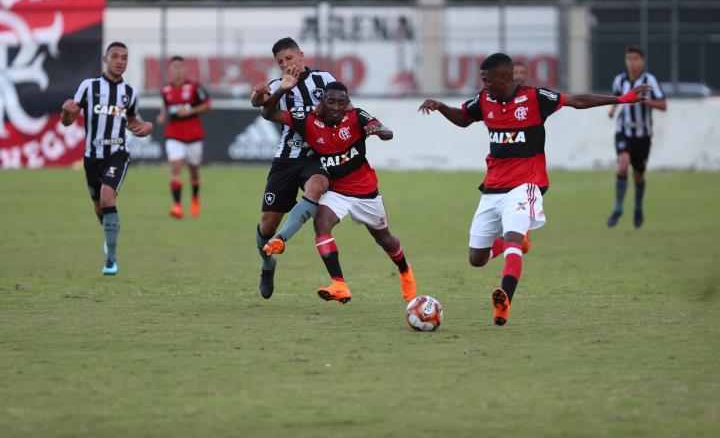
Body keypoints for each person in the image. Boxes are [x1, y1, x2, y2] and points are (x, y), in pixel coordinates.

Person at [418, 52, 649, 326]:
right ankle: (514, 244)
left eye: (487, 80)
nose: (483, 85)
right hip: (492, 188)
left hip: (524, 185)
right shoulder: (484, 100)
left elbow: (577, 101)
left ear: (504, 78)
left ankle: (504, 301)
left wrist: (622, 99)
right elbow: (464, 118)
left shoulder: (535, 98)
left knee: (513, 239)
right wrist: (441, 106)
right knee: (476, 259)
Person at [260, 75, 417, 304]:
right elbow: (268, 113)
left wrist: (379, 130)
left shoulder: (356, 116)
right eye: (330, 102)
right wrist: (280, 91)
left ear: (347, 104)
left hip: (366, 192)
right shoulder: (307, 120)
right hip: (338, 192)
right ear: (322, 101)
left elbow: (385, 131)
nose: (335, 108)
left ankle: (404, 270)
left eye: (340, 103)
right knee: (321, 223)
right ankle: (339, 284)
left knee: (385, 240)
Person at [249, 37, 336, 299]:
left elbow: (344, 106)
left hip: (316, 156)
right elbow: (260, 105)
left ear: (301, 55)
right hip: (287, 158)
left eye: (289, 58)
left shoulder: (324, 79)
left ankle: (281, 240)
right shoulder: (278, 85)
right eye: (279, 62)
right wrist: (280, 90)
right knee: (266, 226)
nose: (285, 64)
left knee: (318, 186)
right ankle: (267, 264)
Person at [60, 42, 153, 275]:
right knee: (99, 207)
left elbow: (131, 121)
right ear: (105, 59)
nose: (120, 61)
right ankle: (109, 234)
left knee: (107, 198)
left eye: (124, 57)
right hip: (92, 157)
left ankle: (111, 260)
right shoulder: (88, 87)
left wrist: (146, 126)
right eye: (115, 56)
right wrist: (66, 111)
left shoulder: (130, 93)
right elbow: (67, 120)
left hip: (117, 153)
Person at [606, 45, 666, 228]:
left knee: (638, 176)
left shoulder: (649, 81)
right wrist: (613, 109)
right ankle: (618, 208)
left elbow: (663, 105)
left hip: (642, 135)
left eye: (635, 58)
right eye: (629, 58)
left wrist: (645, 101)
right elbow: (617, 97)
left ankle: (638, 208)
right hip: (624, 131)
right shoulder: (620, 80)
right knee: (623, 164)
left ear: (642, 61)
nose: (632, 62)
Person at [156, 56, 212, 219]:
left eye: (180, 67)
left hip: (193, 135)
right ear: (170, 69)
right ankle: (177, 206)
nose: (177, 70)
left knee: (194, 172)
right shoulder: (165, 89)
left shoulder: (194, 87)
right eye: (174, 67)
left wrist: (189, 111)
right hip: (173, 134)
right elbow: (165, 107)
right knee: (175, 168)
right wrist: (162, 116)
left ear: (184, 68)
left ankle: (195, 199)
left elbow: (208, 104)